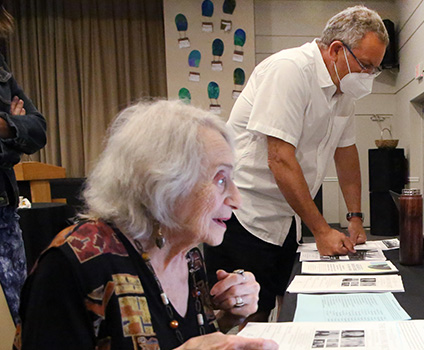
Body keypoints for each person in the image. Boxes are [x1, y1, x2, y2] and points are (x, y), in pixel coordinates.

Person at [17, 101, 277, 350]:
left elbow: (171, 339)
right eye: (220, 180)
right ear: (164, 181)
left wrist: (227, 318)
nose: (236, 199)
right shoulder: (75, 264)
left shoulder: (187, 258)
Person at [204, 5, 388, 322]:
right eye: (366, 66)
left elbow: (346, 155)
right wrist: (321, 229)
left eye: (375, 69)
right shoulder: (289, 70)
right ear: (336, 50)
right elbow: (279, 157)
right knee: (244, 312)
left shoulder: (343, 92)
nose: (369, 76)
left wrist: (355, 217)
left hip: (286, 216)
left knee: (280, 308)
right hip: (246, 213)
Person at [0, 2, 46, 325]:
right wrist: (13, 143)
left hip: (5, 214)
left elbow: (39, 129)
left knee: (22, 322)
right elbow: (21, 142)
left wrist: (5, 127)